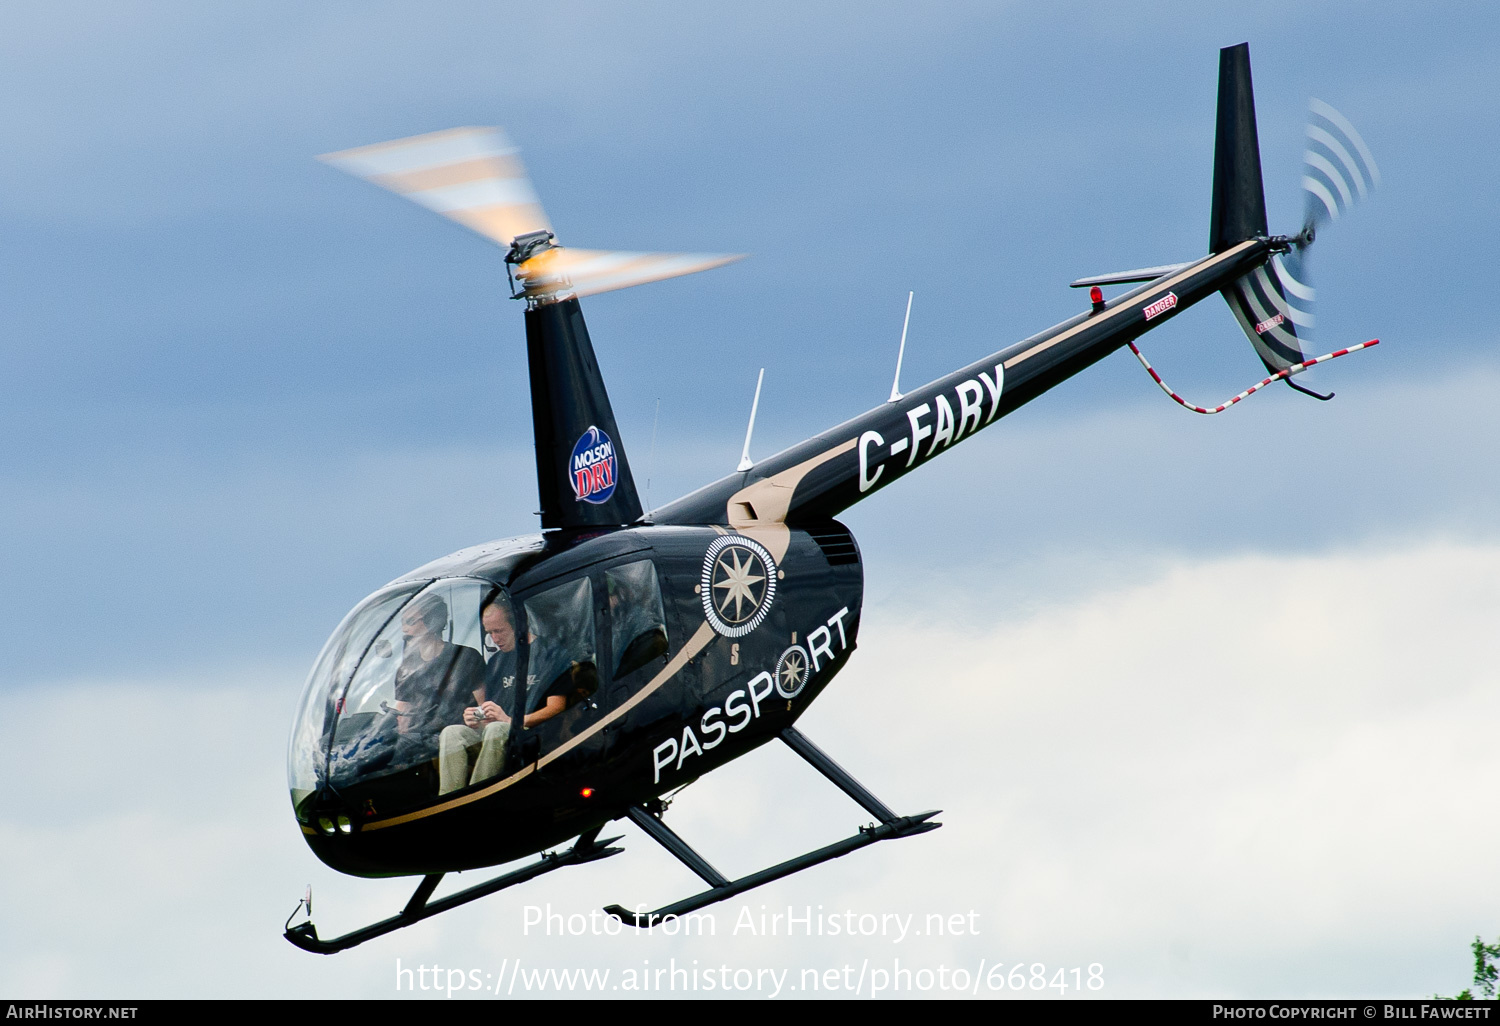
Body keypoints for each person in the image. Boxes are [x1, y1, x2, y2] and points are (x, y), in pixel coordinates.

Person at [437, 597, 572, 794]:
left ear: (518, 624)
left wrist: (512, 721)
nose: (494, 639)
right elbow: (492, 711)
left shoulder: (551, 654)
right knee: (452, 733)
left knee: (498, 729)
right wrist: (477, 717)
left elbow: (557, 706)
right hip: (498, 734)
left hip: (531, 736)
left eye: (499, 631)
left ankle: (478, 796)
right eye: (489, 632)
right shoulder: (496, 663)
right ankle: (449, 798)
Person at [390, 595, 483, 773]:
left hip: (459, 735)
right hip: (423, 740)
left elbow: (484, 705)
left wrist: (475, 722)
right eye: (402, 623)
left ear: (433, 620)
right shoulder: (406, 669)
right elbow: (403, 714)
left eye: (410, 622)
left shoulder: (465, 657)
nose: (404, 629)